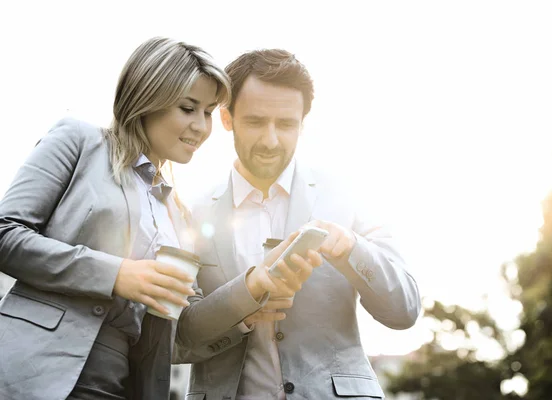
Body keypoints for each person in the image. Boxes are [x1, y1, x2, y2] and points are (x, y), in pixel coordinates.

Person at [174, 49, 422, 399]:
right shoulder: (189, 212)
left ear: (303, 123)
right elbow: (176, 340)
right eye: (256, 122)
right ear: (227, 118)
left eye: (286, 124)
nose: (271, 140)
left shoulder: (348, 195)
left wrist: (352, 249)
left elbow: (405, 309)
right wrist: (244, 303)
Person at [0, 36, 230, 400]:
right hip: (34, 374)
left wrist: (254, 294)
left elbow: (184, 329)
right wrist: (116, 274)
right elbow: (5, 234)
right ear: (147, 98)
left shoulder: (178, 214)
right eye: (189, 108)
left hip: (122, 386)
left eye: (209, 112)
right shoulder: (79, 141)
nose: (201, 127)